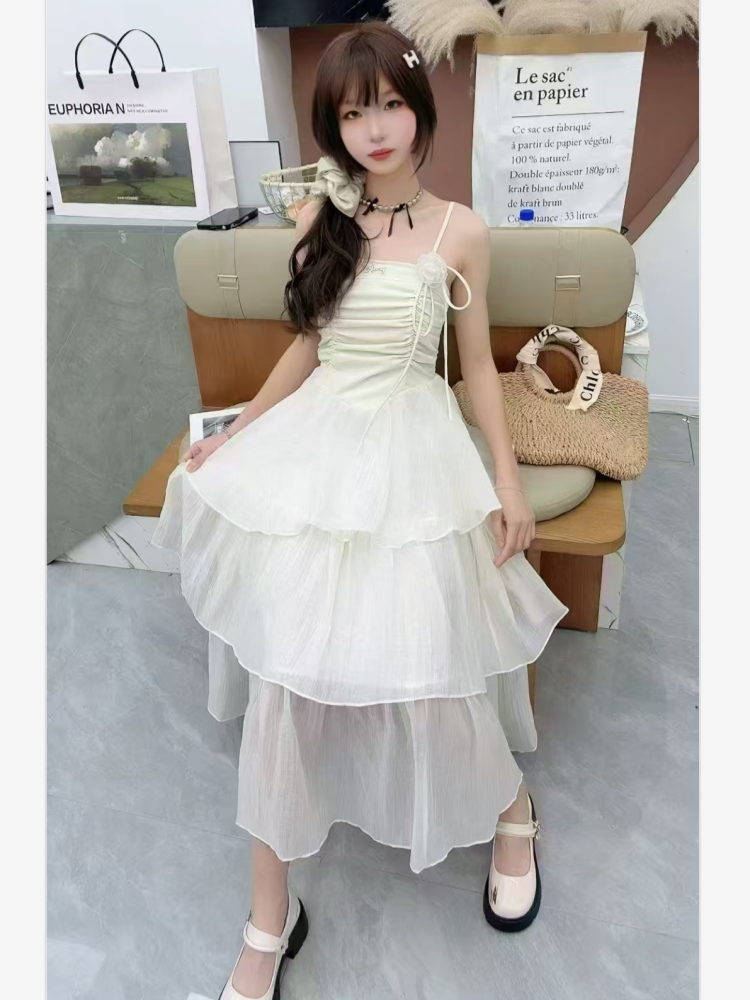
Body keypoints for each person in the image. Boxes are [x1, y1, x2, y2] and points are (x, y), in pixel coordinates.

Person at [152, 21, 567, 1000]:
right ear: (333, 128)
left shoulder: (461, 230)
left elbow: (476, 368)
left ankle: (512, 808)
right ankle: (269, 919)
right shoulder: (324, 218)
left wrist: (508, 484)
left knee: (430, 669)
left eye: (387, 105)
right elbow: (308, 346)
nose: (373, 129)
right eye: (350, 113)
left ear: (418, 109)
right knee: (283, 682)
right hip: (321, 443)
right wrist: (240, 428)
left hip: (413, 447)